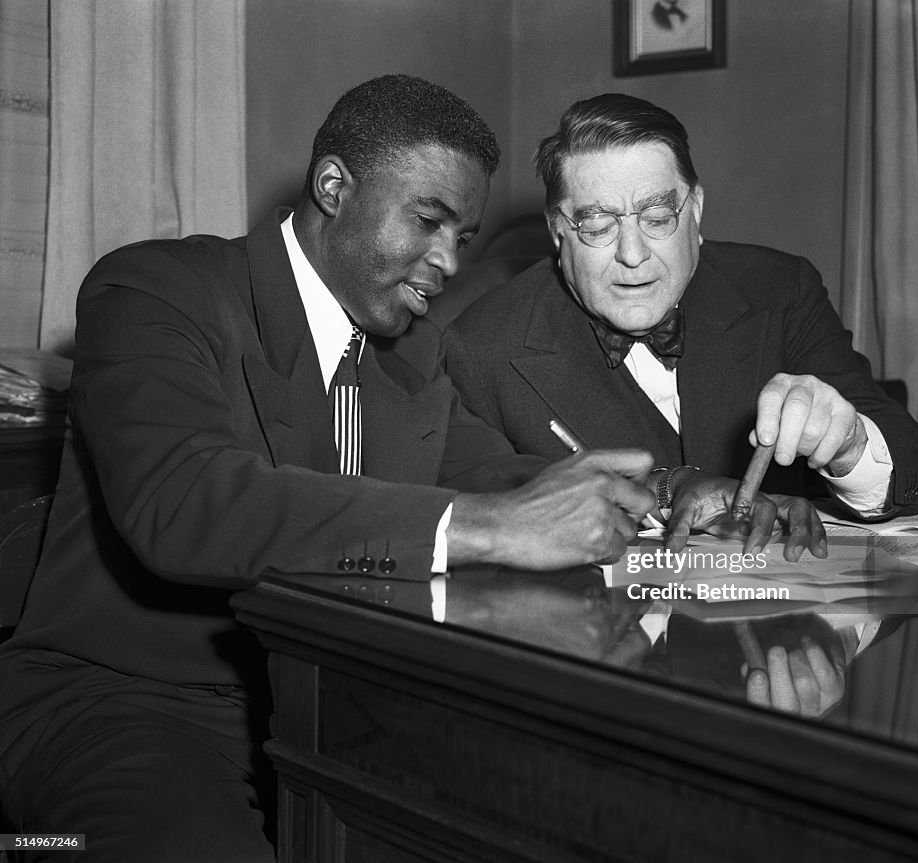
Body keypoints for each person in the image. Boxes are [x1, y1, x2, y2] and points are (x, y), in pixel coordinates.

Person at [0, 75, 668, 863]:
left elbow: (490, 470)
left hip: (332, 697)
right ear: (333, 187)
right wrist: (490, 527)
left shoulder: (412, 350)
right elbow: (182, 500)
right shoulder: (156, 289)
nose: (449, 260)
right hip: (131, 696)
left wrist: (672, 495)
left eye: (464, 237)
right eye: (430, 220)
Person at [442, 93, 918, 715]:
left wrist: (849, 445)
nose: (631, 254)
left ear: (696, 210)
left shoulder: (781, 291)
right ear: (557, 231)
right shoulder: (480, 346)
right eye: (597, 225)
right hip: (598, 701)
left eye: (657, 217)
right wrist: (666, 487)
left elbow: (915, 473)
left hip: (779, 665)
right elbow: (475, 524)